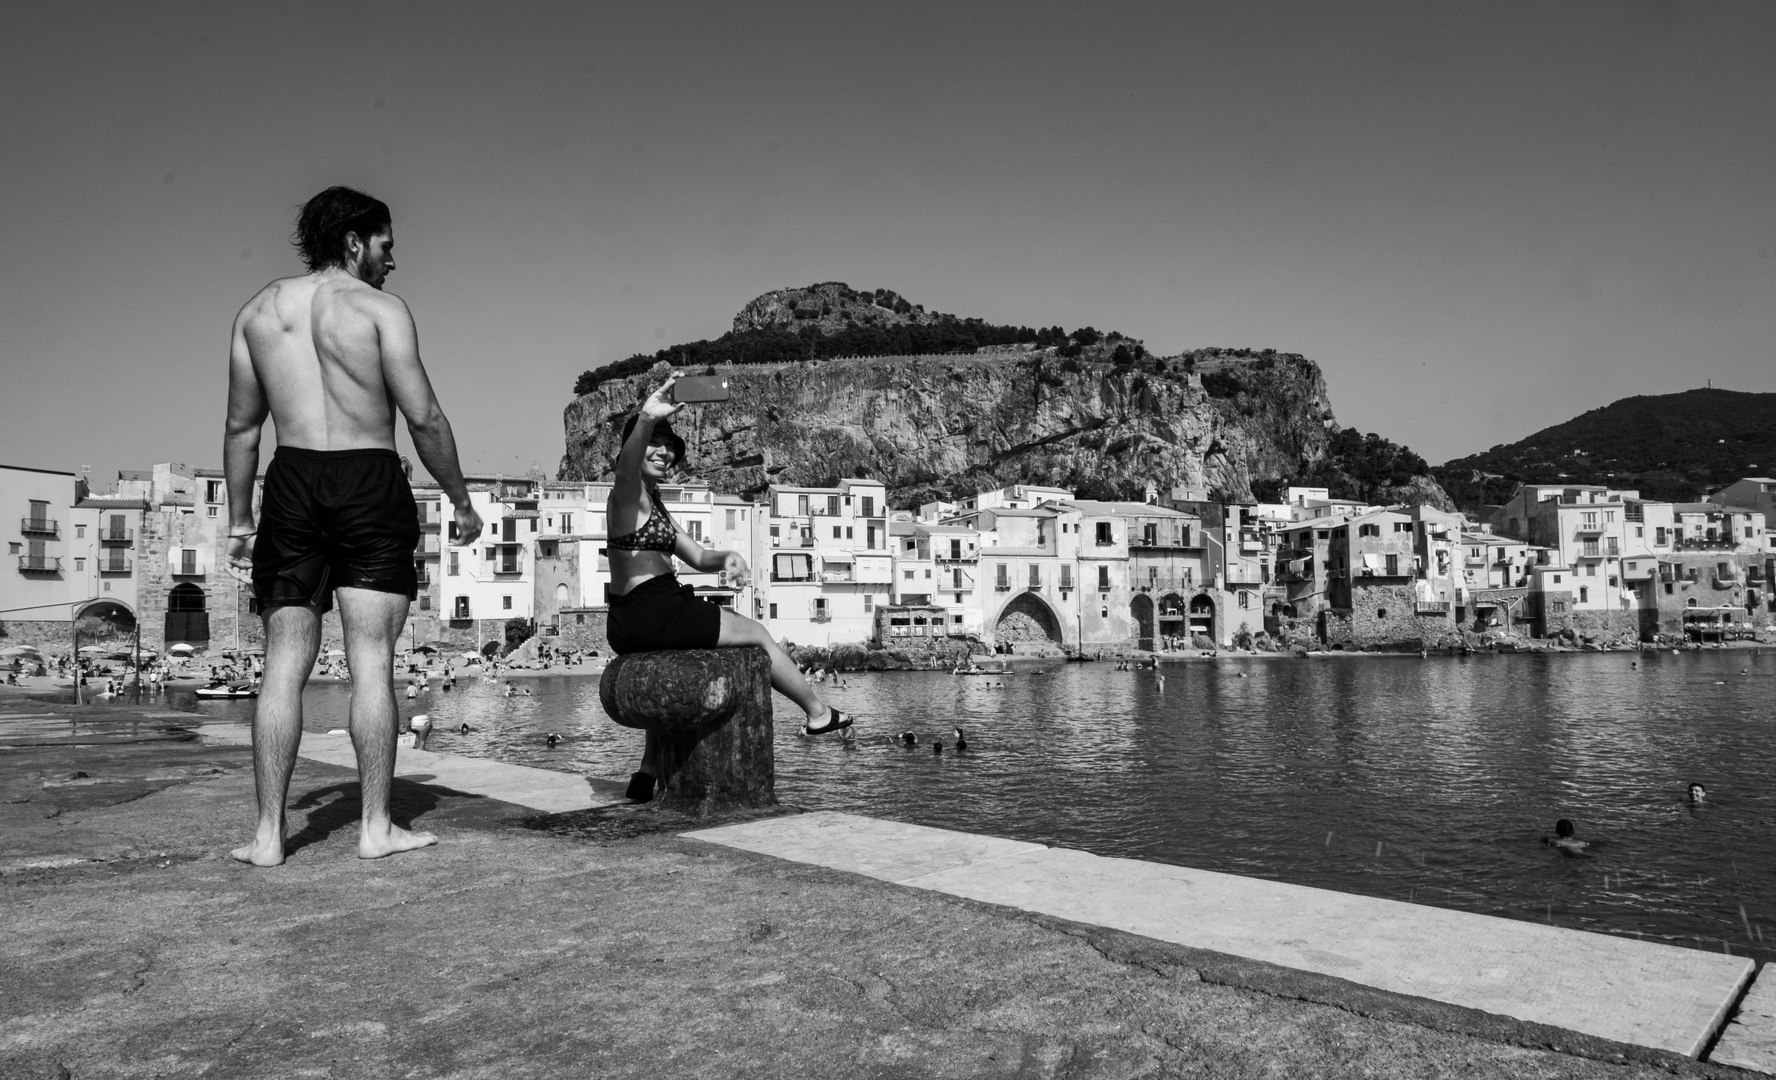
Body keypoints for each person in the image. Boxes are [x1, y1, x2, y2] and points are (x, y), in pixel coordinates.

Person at [221, 186, 482, 866]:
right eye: (387, 245)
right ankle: (374, 828)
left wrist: (241, 521)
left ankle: (269, 838)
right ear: (355, 241)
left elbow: (243, 429)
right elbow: (424, 416)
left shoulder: (257, 311)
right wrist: (459, 500)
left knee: (283, 665)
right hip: (367, 477)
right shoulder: (380, 310)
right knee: (372, 660)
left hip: (293, 481)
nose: (394, 260)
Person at [606, 375, 852, 801]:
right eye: (654, 442)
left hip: (626, 620)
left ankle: (647, 771)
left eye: (669, 445)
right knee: (755, 633)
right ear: (635, 444)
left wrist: (726, 559)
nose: (663, 451)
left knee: (664, 659)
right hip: (657, 607)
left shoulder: (652, 502)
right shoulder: (627, 492)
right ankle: (817, 712)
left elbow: (697, 557)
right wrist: (647, 416)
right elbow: (626, 467)